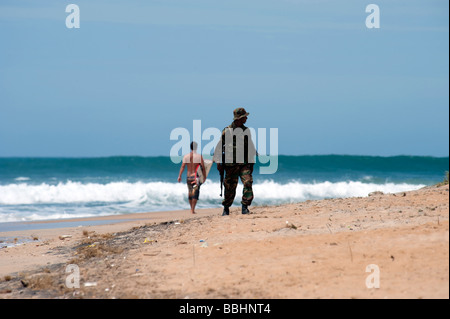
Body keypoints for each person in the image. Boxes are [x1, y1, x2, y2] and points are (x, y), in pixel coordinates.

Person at [213, 107, 257, 216]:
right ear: (239, 118)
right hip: (230, 165)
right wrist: (218, 162)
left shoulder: (246, 131)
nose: (246, 118)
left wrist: (251, 162)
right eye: (244, 117)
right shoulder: (226, 131)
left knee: (248, 182)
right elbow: (219, 147)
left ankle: (244, 206)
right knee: (229, 187)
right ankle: (226, 208)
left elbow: (250, 146)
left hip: (244, 164)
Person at [178, 142, 207, 214]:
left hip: (188, 177)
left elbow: (182, 166)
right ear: (196, 147)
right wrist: (204, 177)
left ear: (190, 147)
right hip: (195, 177)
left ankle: (191, 208)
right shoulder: (199, 156)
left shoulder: (186, 156)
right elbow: (203, 168)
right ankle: (192, 209)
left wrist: (180, 176)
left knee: (190, 192)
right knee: (195, 193)